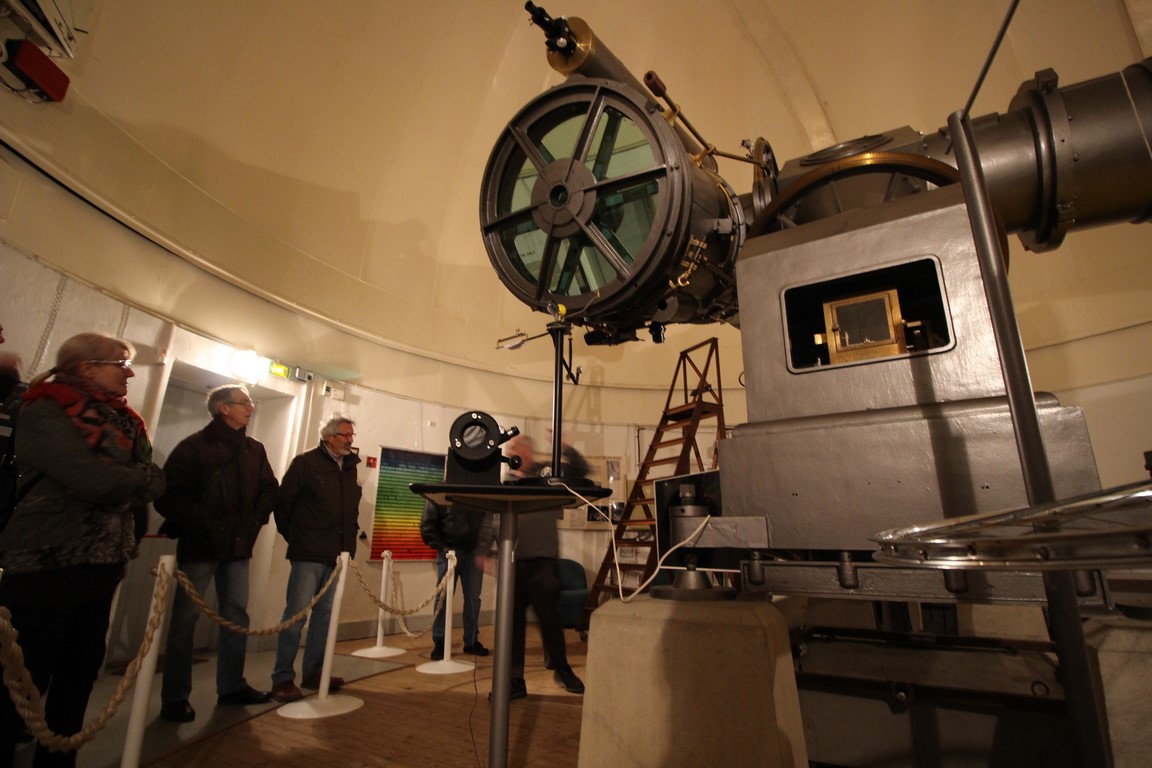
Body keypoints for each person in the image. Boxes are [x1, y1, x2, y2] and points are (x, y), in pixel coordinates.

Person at [0, 333, 165, 768]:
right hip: (47, 560)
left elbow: (154, 479)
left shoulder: (126, 421)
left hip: (102, 563)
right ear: (87, 367)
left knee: (78, 673)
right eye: (120, 364)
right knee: (26, 673)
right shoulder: (45, 409)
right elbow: (95, 478)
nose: (129, 373)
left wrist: (124, 481)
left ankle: (57, 762)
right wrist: (131, 481)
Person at [154, 384, 278, 723]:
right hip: (200, 545)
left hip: (238, 547)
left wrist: (254, 519)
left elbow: (269, 488)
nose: (251, 408)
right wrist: (207, 523)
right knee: (185, 621)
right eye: (244, 403)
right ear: (223, 408)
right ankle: (175, 697)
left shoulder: (254, 449)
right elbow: (168, 495)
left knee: (236, 616)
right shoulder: (194, 447)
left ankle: (231, 686)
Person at [269, 415, 362, 703]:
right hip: (308, 552)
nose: (350, 440)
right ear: (329, 437)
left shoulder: (349, 468)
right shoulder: (305, 463)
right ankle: (282, 678)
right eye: (346, 435)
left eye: (352, 435)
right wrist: (301, 538)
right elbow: (283, 506)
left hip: (337, 553)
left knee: (325, 616)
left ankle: (314, 672)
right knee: (296, 614)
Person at [499, 432, 587, 700]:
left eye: (515, 447)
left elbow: (581, 471)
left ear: (528, 451)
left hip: (544, 563)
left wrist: (566, 447)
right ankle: (514, 679)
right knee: (513, 626)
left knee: (550, 621)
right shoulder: (506, 483)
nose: (511, 452)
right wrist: (485, 552)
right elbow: (494, 518)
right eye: (509, 448)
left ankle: (561, 669)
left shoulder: (547, 474)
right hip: (513, 564)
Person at [420, 498, 493, 660]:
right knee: (443, 597)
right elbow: (427, 524)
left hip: (474, 552)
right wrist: (443, 548)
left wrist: (482, 549)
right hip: (449, 552)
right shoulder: (441, 493)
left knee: (473, 598)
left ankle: (471, 641)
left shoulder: (477, 492)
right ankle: (440, 641)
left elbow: (487, 523)